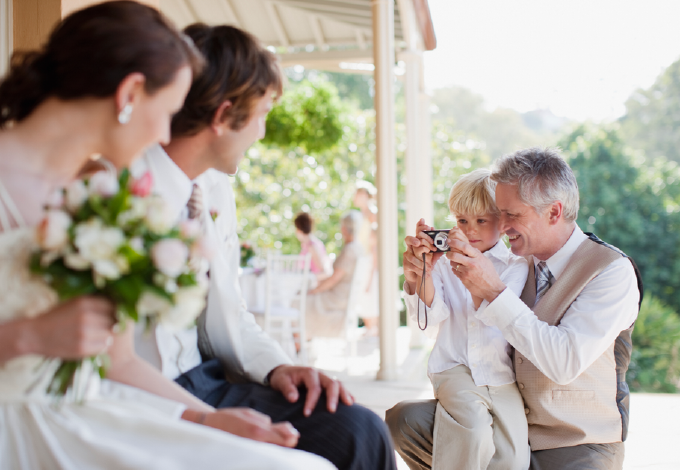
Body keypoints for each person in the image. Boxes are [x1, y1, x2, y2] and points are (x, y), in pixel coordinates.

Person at [0, 2, 332, 469]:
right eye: (168, 111)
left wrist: (208, 420)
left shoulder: (101, 190)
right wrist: (29, 336)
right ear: (130, 93)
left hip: (92, 408)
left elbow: (118, 362)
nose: (165, 132)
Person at [131, 23, 396, 470]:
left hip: (208, 377)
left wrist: (279, 368)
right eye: (263, 113)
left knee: (359, 429)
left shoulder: (214, 186)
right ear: (223, 115)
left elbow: (230, 313)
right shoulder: (121, 189)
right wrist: (204, 417)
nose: (261, 133)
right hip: (148, 391)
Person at [387, 148, 642, 470]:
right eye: (499, 214)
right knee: (405, 419)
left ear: (553, 212)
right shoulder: (514, 262)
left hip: (575, 442)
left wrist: (492, 291)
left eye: (512, 215)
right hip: (504, 423)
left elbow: (564, 363)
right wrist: (417, 277)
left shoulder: (610, 270)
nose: (502, 227)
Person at [404, 169, 530, 470]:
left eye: (481, 221)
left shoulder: (516, 265)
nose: (470, 230)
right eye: (462, 221)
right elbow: (432, 318)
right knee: (472, 434)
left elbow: (496, 317)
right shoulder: (446, 262)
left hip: (500, 374)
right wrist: (424, 273)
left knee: (513, 456)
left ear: (502, 222)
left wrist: (470, 267)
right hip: (454, 367)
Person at [304, 211, 364, 338]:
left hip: (337, 299)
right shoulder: (358, 248)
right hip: (343, 297)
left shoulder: (350, 249)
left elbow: (333, 279)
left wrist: (314, 291)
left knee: (300, 301)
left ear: (344, 229)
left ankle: (300, 346)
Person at [353, 183, 379, 333]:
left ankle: (374, 330)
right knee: (363, 295)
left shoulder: (372, 215)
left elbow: (374, 243)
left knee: (371, 293)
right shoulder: (361, 215)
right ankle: (371, 329)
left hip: (371, 259)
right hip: (363, 259)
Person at [294, 211, 331, 279]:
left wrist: (307, 278)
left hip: (311, 285)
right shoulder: (309, 244)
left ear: (298, 229)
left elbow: (324, 271)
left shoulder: (312, 246)